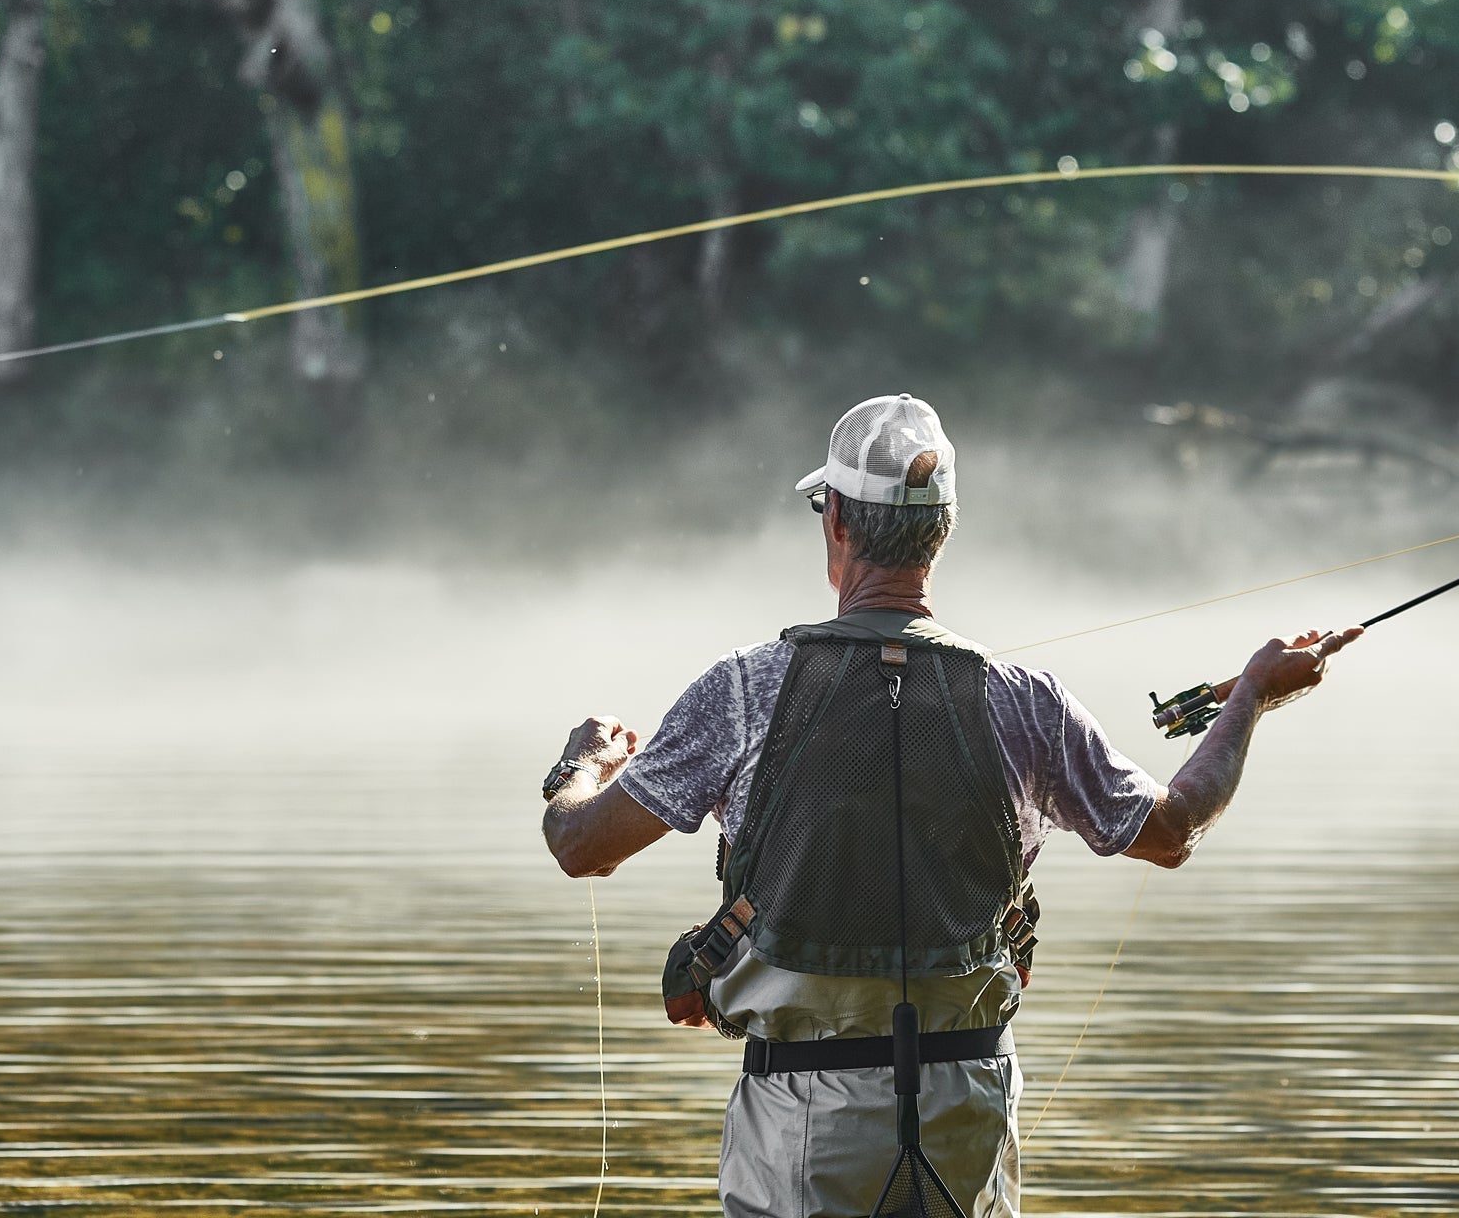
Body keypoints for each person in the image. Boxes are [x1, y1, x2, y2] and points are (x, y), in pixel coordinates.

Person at [538, 394, 1361, 1218]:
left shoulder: (747, 691)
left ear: (838, 526)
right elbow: (1176, 827)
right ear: (942, 532)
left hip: (803, 1122)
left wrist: (585, 762)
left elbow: (581, 844)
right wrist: (1251, 695)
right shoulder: (1027, 702)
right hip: (968, 1111)